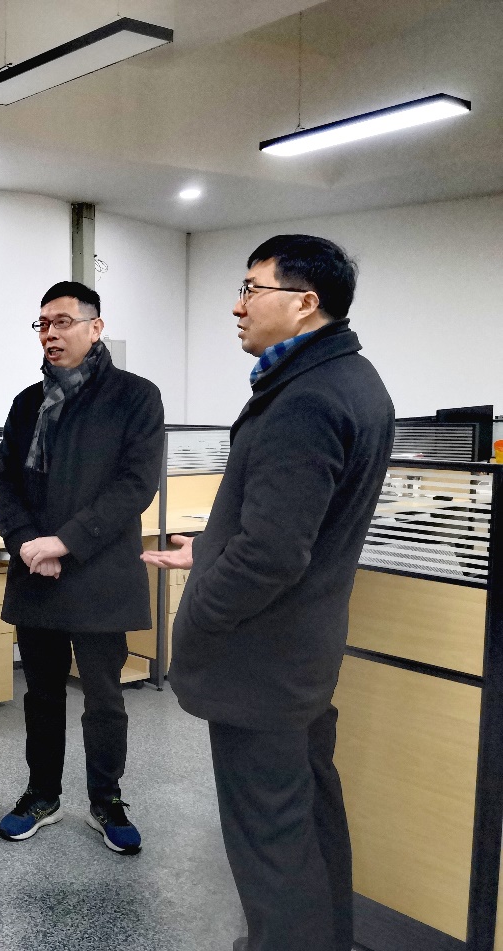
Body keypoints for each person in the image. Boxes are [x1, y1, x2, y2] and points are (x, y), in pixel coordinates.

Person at [143, 235, 394, 951]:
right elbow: (294, 525)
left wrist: (202, 609)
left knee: (271, 850)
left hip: (261, 664)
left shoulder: (304, 399)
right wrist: (209, 549)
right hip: (300, 657)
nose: (238, 305)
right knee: (308, 822)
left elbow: (274, 553)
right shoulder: (352, 378)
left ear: (305, 302)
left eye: (253, 289)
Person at [0, 280, 164, 853]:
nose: (50, 334)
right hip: (36, 573)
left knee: (104, 697)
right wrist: (26, 544)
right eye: (42, 324)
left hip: (98, 571)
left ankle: (106, 799)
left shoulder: (135, 397)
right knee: (41, 695)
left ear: (96, 327)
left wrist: (63, 543)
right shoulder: (27, 403)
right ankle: (42, 794)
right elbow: (4, 480)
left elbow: (134, 486)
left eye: (63, 321)